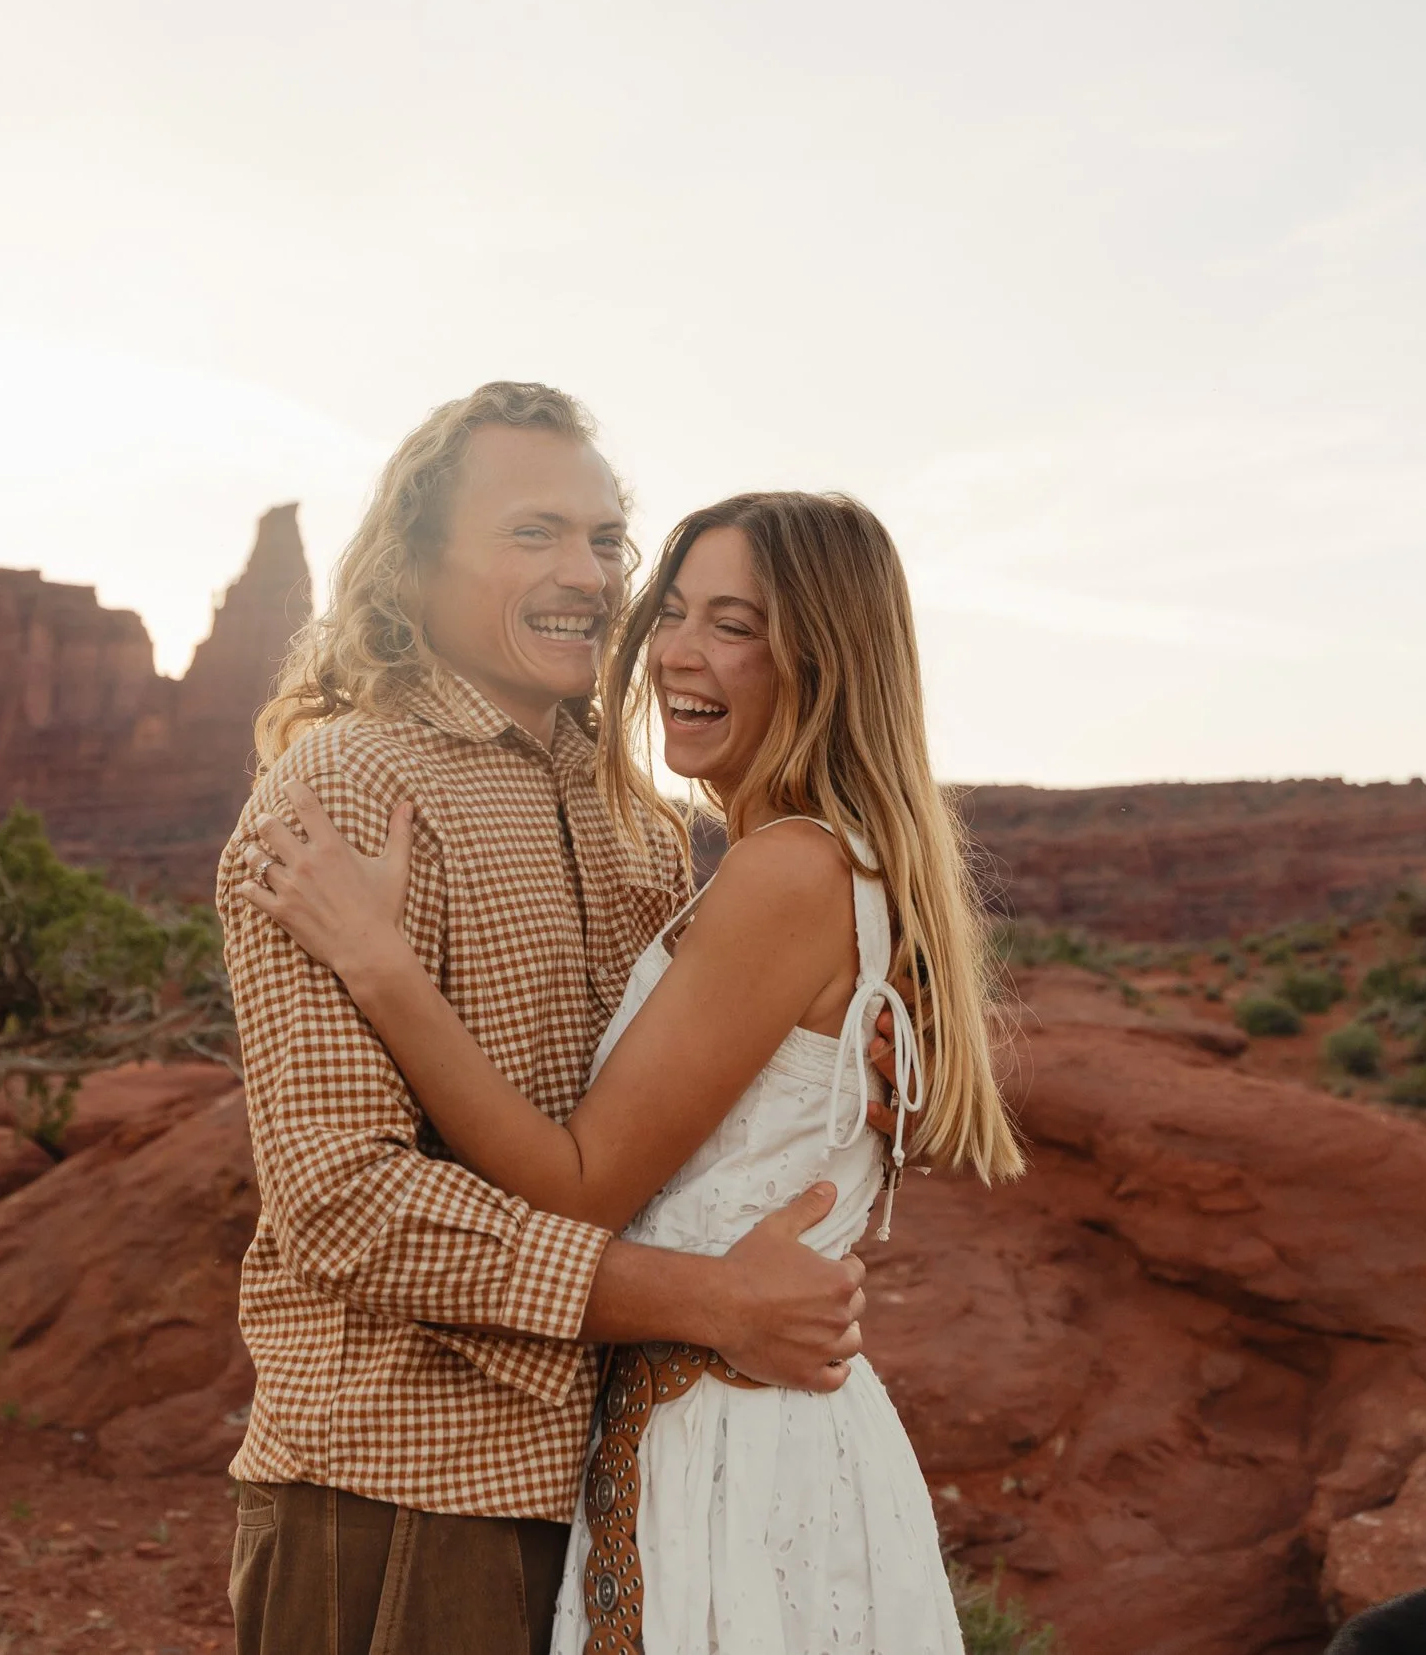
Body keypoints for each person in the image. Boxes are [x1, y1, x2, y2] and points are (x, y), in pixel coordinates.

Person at [240, 489, 1028, 1653]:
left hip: (726, 1449)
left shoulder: (788, 872)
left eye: (735, 623)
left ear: (826, 657)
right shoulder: (813, 868)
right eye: (671, 611)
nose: (674, 651)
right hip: (765, 1434)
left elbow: (578, 1183)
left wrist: (381, 965)